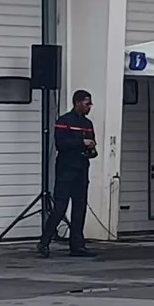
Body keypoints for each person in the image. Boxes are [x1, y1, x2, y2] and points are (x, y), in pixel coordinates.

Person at [38, 90, 97, 258]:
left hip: (81, 170)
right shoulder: (64, 121)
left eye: (90, 104)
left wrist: (91, 147)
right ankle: (44, 241)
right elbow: (61, 144)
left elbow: (92, 145)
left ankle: (77, 245)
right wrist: (81, 142)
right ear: (77, 102)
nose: (89, 107)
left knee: (80, 209)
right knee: (60, 208)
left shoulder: (88, 123)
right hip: (65, 171)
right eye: (87, 104)